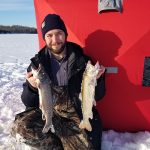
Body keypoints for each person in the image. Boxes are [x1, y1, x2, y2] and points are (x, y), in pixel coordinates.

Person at [11, 14, 106, 150]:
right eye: (49, 35)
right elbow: (28, 102)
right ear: (44, 38)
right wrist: (32, 88)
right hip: (49, 111)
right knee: (20, 127)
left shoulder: (83, 61)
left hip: (74, 115)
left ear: (65, 34)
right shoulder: (38, 64)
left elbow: (98, 96)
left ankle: (66, 139)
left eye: (59, 34)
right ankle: (55, 144)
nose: (55, 40)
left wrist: (98, 80)